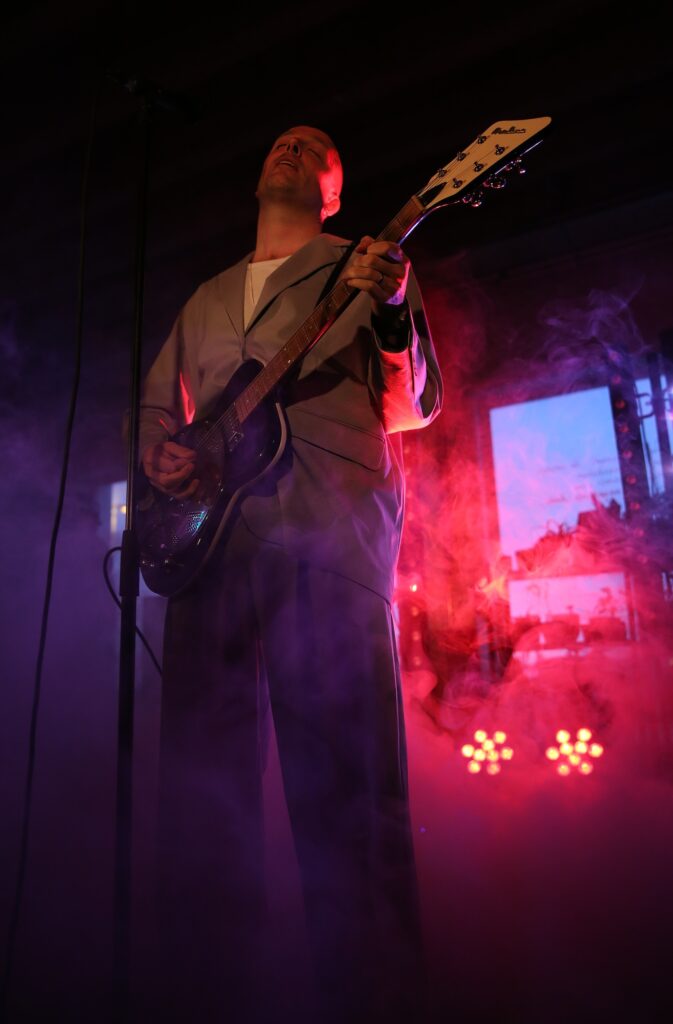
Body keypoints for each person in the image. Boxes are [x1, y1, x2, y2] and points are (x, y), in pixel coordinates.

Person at [138, 125, 442, 1023]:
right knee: (200, 796)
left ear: (333, 193)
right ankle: (204, 994)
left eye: (316, 148)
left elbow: (413, 406)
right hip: (211, 553)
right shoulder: (205, 298)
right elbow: (156, 405)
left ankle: (376, 998)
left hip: (328, 539)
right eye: (282, 141)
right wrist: (157, 451)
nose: (293, 148)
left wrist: (392, 308)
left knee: (350, 798)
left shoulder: (365, 265)